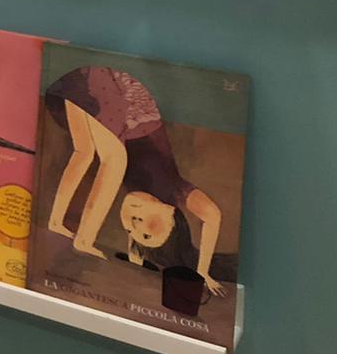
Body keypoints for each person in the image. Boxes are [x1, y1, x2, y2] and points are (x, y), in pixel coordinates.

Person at [43, 65, 227, 297]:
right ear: (171, 215)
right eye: (149, 233)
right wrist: (202, 272)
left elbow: (135, 254)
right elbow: (212, 216)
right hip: (122, 99)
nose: (136, 224)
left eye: (131, 231)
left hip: (94, 93)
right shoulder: (175, 190)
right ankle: (85, 239)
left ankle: (56, 221)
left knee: (84, 152)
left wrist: (136, 258)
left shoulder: (134, 196)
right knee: (113, 159)